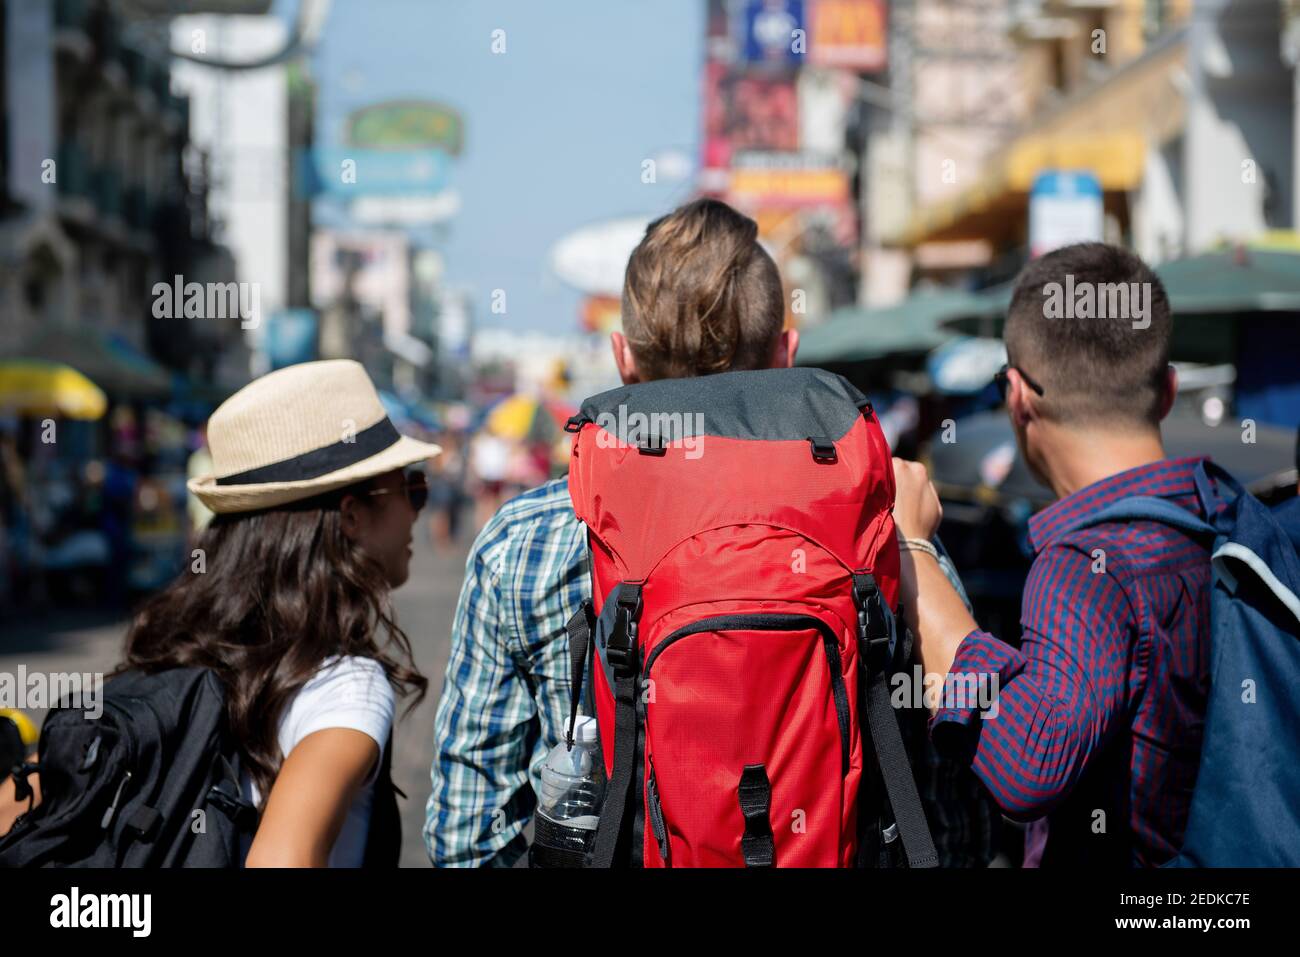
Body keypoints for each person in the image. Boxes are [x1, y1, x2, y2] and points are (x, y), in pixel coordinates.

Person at [426, 198, 993, 867]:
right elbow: (955, 811)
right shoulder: (889, 518)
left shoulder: (525, 541)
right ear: (787, 353)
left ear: (622, 359)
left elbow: (466, 836)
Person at [0, 359, 440, 867]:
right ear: (351, 516)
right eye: (410, 489)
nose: (415, 509)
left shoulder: (174, 648)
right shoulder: (345, 685)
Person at [891, 242, 1216, 867]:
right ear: (1169, 390)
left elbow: (1028, 765)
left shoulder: (1086, 567)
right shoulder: (1228, 518)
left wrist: (913, 549)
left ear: (1017, 396)